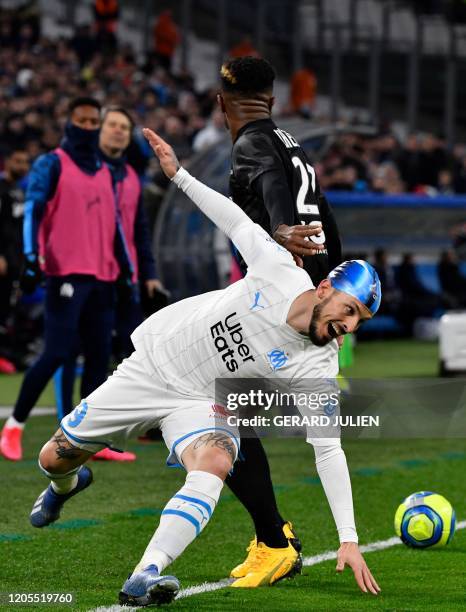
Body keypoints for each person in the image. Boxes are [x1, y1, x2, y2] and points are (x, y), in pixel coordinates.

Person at [29, 129, 381, 607]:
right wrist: (179, 176)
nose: (349, 324)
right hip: (154, 365)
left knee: (217, 458)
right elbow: (234, 220)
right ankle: (65, 485)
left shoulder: (316, 363)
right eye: (349, 309)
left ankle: (145, 574)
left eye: (359, 318)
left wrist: (349, 538)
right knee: (54, 457)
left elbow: (329, 451)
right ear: (324, 290)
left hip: (202, 400)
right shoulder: (280, 270)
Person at [216, 56, 343, 586]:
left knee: (220, 412)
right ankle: (273, 537)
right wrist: (332, 282)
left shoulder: (250, 145)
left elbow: (271, 191)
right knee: (233, 411)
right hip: (310, 300)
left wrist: (279, 229)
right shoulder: (295, 145)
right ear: (271, 99)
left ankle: (275, 540)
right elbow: (328, 220)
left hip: (279, 305)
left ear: (222, 102)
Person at [0, 97, 119, 462]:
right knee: (56, 353)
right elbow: (33, 208)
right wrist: (32, 258)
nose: (87, 126)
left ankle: (89, 439)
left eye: (92, 120)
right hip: (65, 274)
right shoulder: (51, 163)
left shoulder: (104, 169)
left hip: (102, 276)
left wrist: (125, 269)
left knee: (99, 358)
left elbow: (112, 225)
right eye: (80, 120)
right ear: (68, 122)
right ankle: (13, 427)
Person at [53, 105, 163, 462]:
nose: (116, 131)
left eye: (123, 127)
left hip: (123, 280)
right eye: (111, 125)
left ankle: (116, 427)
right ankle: (68, 426)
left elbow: (138, 232)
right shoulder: (78, 168)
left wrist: (148, 273)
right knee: (70, 350)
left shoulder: (131, 175)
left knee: (132, 352)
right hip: (84, 272)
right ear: (98, 130)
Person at [0, 146, 30, 372]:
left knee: (9, 310)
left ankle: (8, 355)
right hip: (3, 261)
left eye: (25, 162)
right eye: (18, 161)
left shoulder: (19, 191)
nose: (22, 166)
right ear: (7, 161)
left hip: (15, 262)